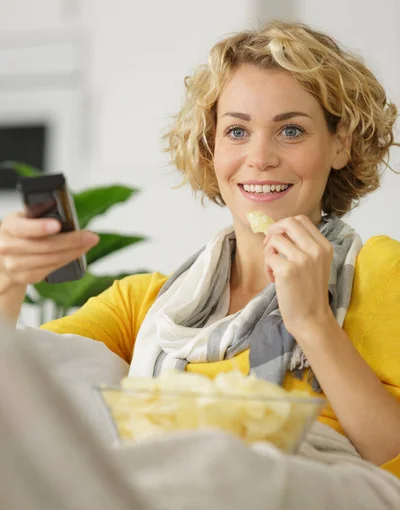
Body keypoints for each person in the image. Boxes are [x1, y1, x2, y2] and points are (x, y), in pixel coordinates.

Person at [0, 20, 399, 476]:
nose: (261, 156)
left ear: (340, 144)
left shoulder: (381, 272)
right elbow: (17, 392)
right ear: (210, 146)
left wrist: (313, 323)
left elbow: (394, 460)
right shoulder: (143, 306)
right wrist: (7, 278)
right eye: (236, 131)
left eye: (291, 131)